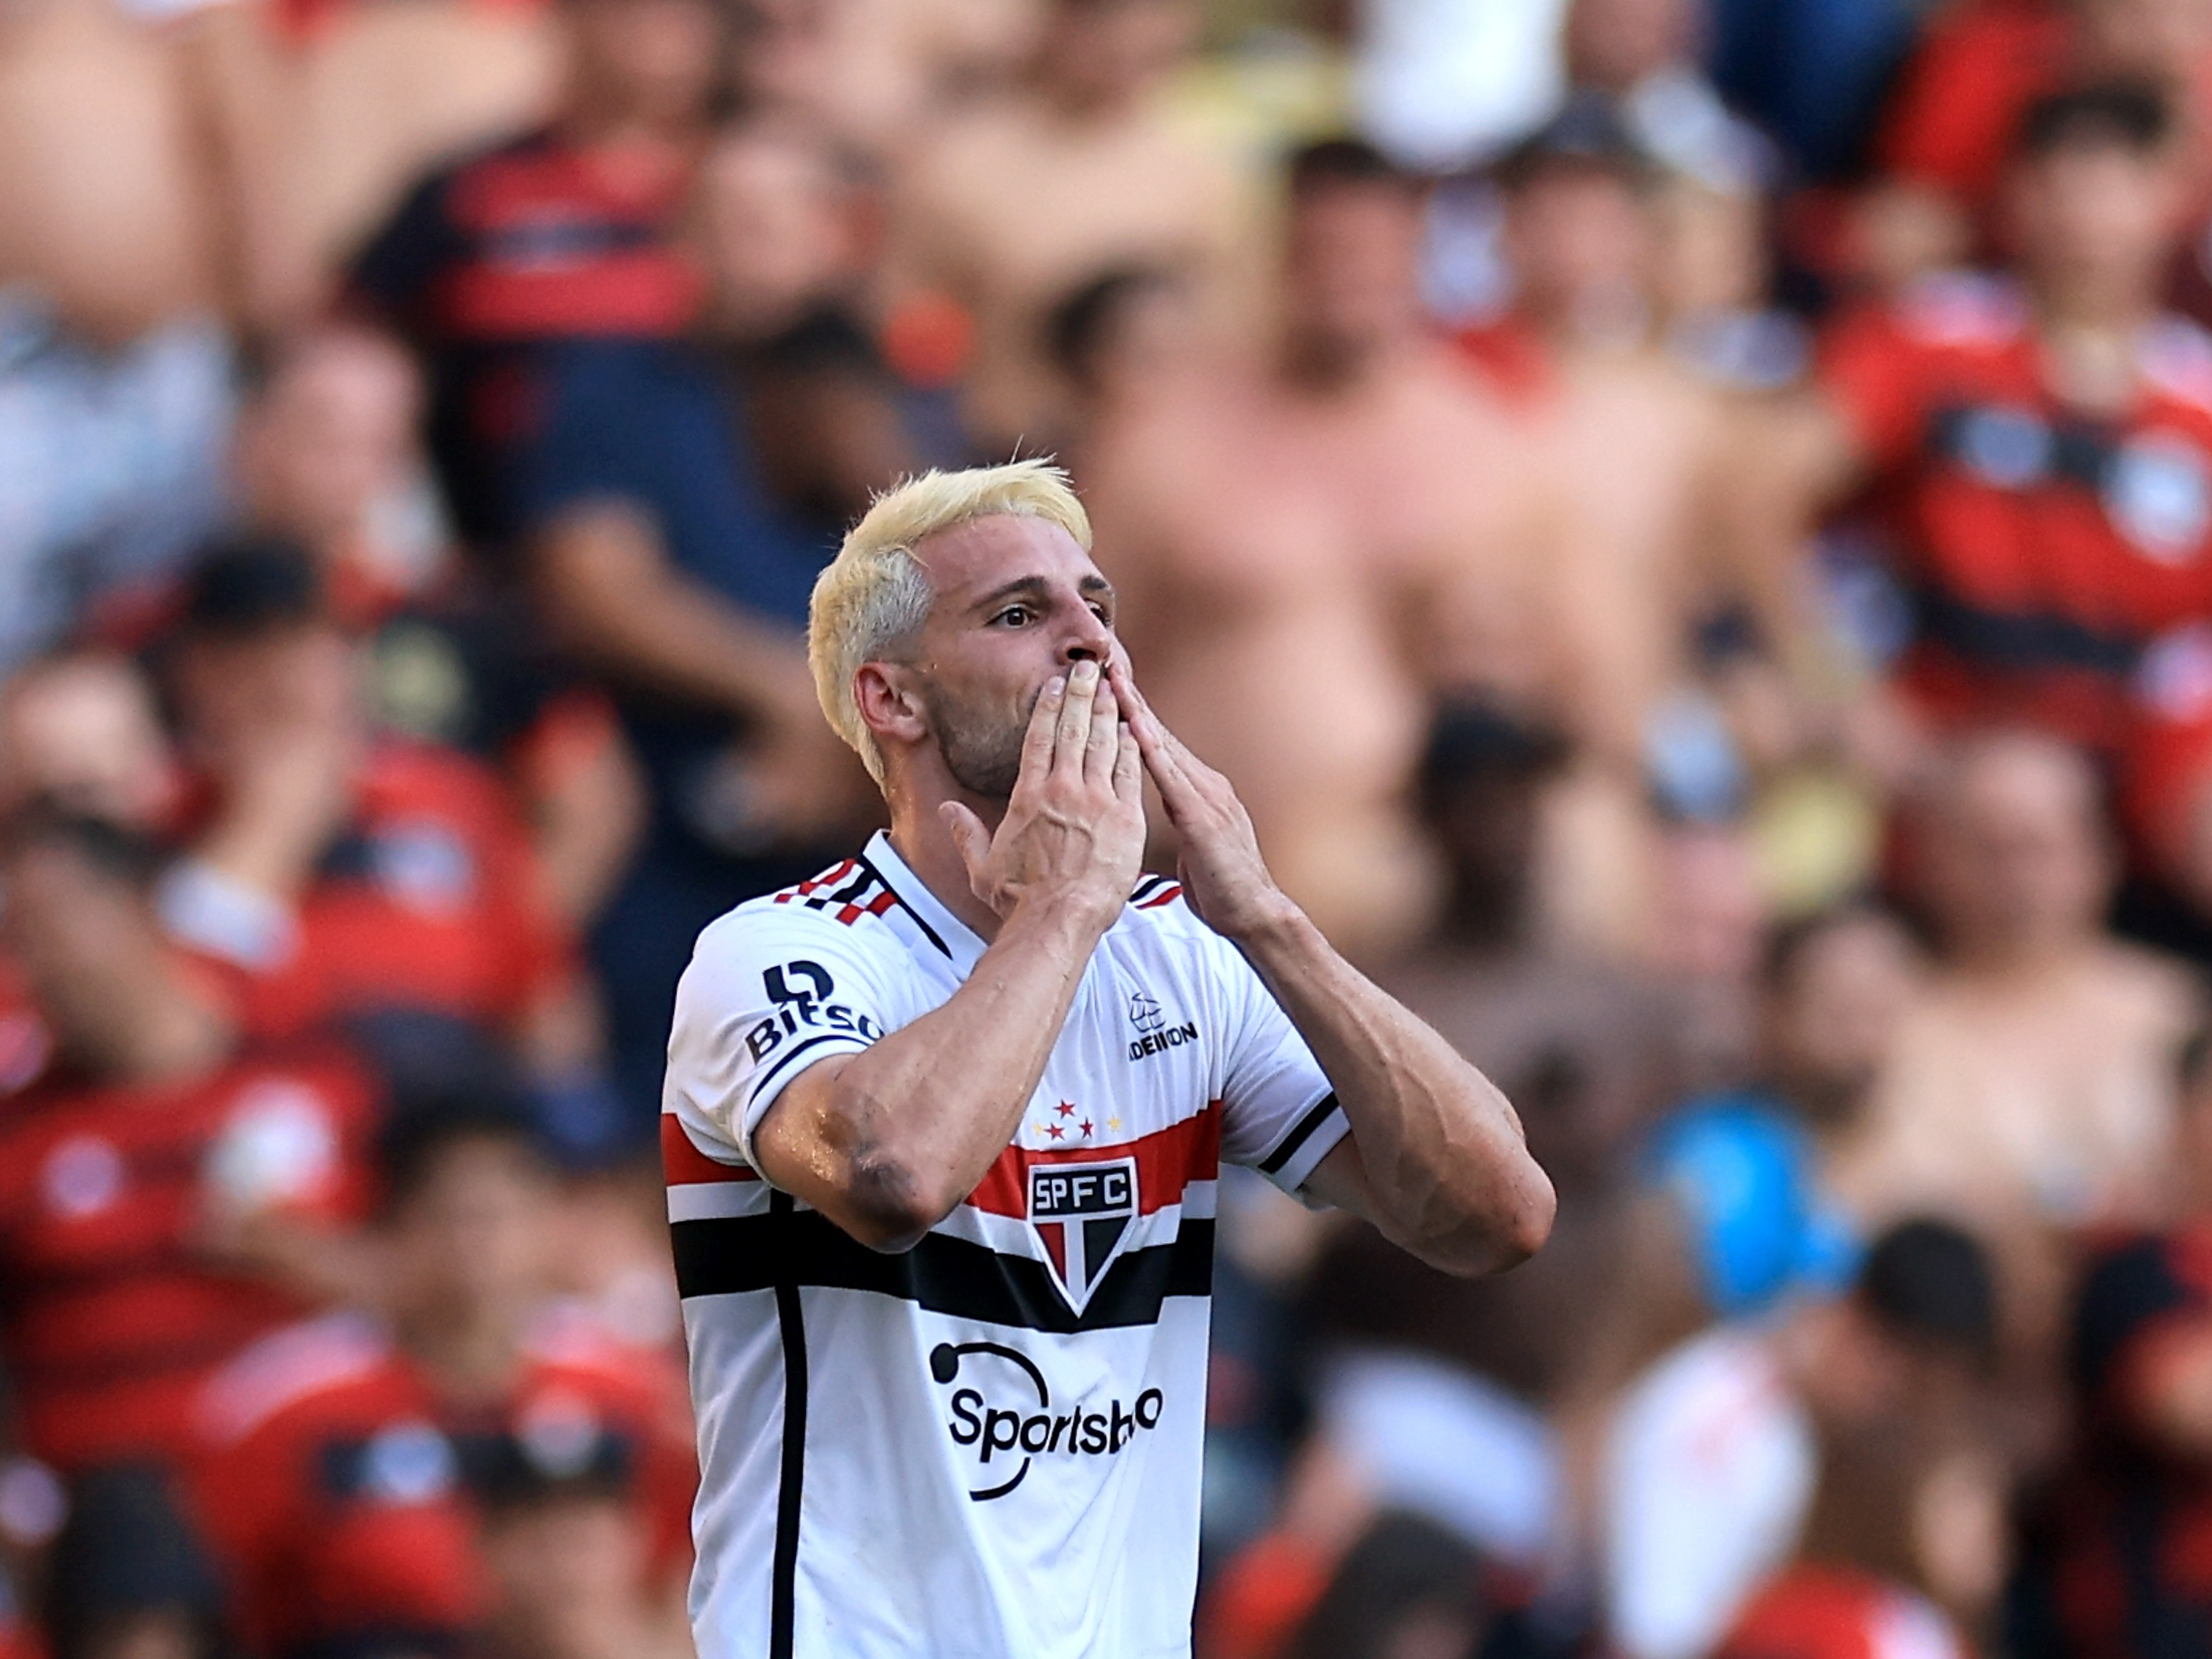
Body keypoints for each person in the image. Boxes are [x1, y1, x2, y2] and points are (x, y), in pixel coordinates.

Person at [660, 459, 1554, 1655]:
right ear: (892, 700)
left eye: (1098, 606)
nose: (1091, 644)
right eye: (1020, 615)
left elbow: (1494, 1215)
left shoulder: (1186, 956)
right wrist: (1062, 910)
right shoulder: (775, 953)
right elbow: (894, 1177)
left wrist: (1267, 919)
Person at [509, 113, 906, 1133]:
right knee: (679, 1118)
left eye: (775, 219)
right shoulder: (614, 388)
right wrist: (786, 687)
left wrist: (830, 722)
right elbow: (596, 588)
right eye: (721, 218)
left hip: (862, 830)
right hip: (665, 817)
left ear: (835, 234)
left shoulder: (887, 393)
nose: (747, 244)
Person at [1087, 139, 1550, 963]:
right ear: (1280, 257)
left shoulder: (1486, 443)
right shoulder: (1167, 441)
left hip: (1451, 908)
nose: (1350, 279)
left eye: (1375, 253)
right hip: (1205, 898)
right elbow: (1084, 662)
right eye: (1326, 252)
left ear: (1418, 257)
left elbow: (1577, 678)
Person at [1744, 84, 2212, 802]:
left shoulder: (2199, 401)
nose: (2087, 222)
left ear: (2170, 203)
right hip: (1938, 757)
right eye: (2062, 189)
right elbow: (1753, 495)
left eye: (2114, 192)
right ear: (2014, 197)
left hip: (2146, 775)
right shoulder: (1928, 339)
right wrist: (1843, 689)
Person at [188, 1096, 696, 1659]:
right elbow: (220, 1602)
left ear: (548, 1224)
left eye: (499, 1214)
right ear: (392, 1231)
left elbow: (686, 1584)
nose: (476, 1244)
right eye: (450, 1215)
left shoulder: (629, 1388)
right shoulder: (285, 1406)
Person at [0, 808, 383, 1475]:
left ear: (145, 904)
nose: (39, 962)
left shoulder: (312, 1054)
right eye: (18, 937)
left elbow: (435, 1278)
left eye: (55, 922)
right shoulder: (19, 1128)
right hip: (108, 1532)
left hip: (297, 1500)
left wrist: (324, 1265)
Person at [1829, 733, 2200, 1333]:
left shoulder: (2179, 1011)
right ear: (1931, 863)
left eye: (2037, 846)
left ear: (2099, 856)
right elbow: (1849, 1215)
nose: (2015, 877)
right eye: (1987, 849)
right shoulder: (1884, 1029)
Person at [345, 0, 728, 545]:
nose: (660, 33)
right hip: (499, 537)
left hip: (720, 533)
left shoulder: (749, 186)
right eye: (633, 12)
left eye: (683, 13)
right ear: (569, 20)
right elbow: (351, 330)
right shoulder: (475, 190)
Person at [1603, 1219, 1998, 1659]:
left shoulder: (1809, 1433)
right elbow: (1649, 1639)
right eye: (1906, 1389)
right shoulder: (1728, 1425)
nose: (1902, 1418)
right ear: (1855, 1322)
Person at [886, 0, 1256, 452]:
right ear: (1057, 21)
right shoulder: (958, 170)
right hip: (1007, 457)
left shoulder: (1202, 173)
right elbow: (903, 333)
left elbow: (1237, 335)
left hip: (1162, 460)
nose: (1129, 39)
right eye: (1106, 18)